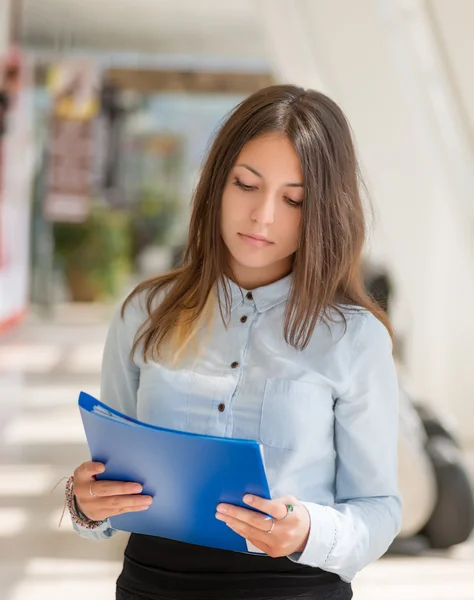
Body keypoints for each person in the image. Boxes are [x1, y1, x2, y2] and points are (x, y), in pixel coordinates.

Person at [67, 84, 401, 600]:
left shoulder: (355, 338)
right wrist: (86, 503)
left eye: (293, 199)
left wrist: (310, 530)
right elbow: (109, 483)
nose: (262, 216)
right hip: (151, 585)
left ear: (323, 212)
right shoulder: (145, 313)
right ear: (216, 184)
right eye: (246, 185)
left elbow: (379, 506)